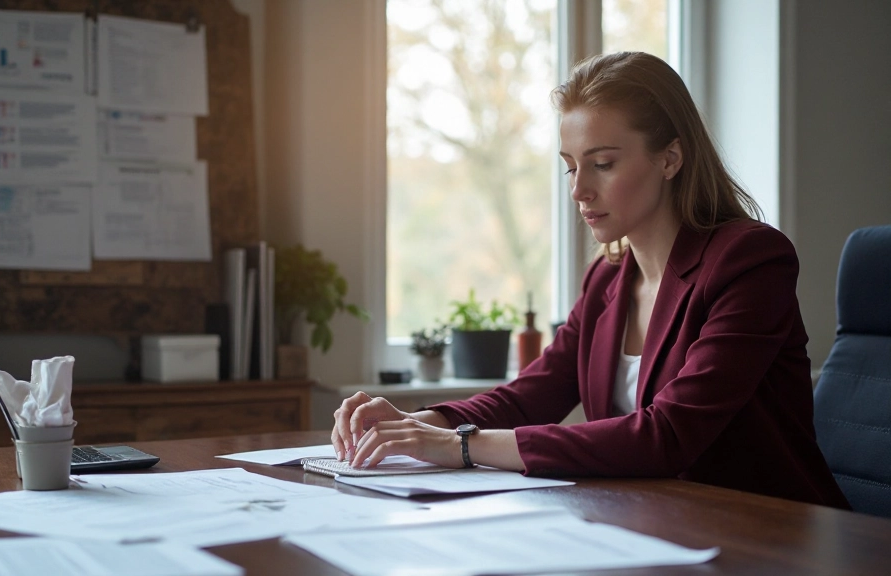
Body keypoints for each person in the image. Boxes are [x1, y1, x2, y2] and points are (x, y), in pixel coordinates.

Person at [332, 51, 849, 509]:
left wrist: (461, 446)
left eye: (602, 164)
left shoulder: (750, 260)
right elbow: (528, 397)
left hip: (765, 532)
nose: (579, 190)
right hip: (652, 521)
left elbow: (668, 435)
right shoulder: (606, 280)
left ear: (670, 158)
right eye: (570, 167)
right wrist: (416, 424)